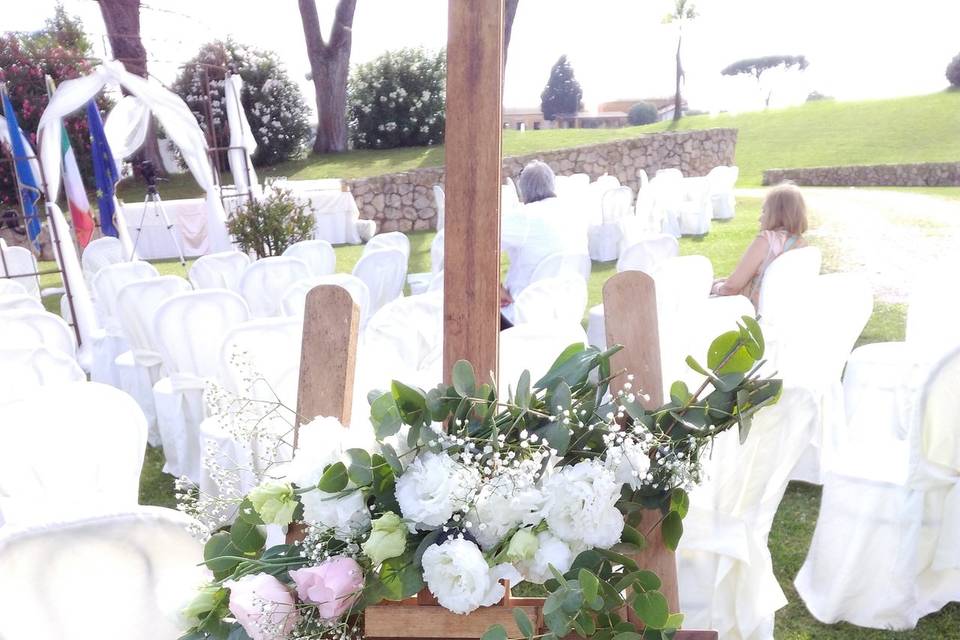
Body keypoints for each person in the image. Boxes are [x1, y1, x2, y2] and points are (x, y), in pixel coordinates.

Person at [499, 161, 587, 325]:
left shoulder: (524, 217)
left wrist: (495, 288)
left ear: (522, 189)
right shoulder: (575, 214)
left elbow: (480, 247)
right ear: (552, 184)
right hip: (567, 311)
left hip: (522, 315)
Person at [711, 181, 808, 308]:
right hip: (783, 311)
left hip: (751, 312)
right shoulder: (802, 245)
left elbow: (730, 288)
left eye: (764, 211)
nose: (760, 218)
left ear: (776, 213)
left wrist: (714, 287)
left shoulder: (767, 240)